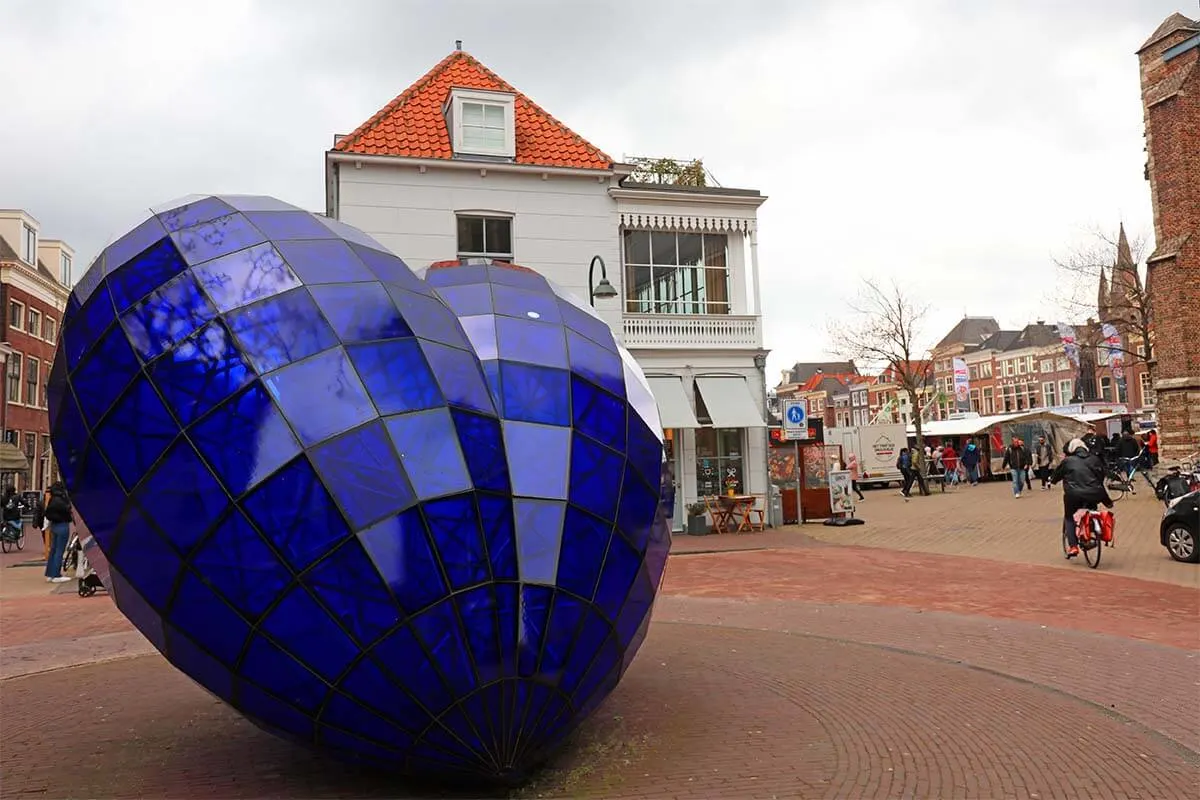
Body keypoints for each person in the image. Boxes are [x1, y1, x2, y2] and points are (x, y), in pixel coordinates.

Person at [1049, 438, 1113, 558]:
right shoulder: (1094, 459)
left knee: (1069, 517)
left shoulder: (1068, 461)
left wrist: (1052, 480)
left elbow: (1056, 476)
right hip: (1094, 494)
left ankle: (1073, 546)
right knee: (1092, 510)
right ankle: (1092, 533)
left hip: (1073, 495)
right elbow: (1101, 475)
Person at [42, 482, 72, 584]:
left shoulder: (52, 499)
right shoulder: (62, 500)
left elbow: (47, 512)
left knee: (53, 551)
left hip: (54, 526)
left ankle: (50, 574)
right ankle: (56, 575)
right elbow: (68, 510)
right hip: (62, 525)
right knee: (59, 551)